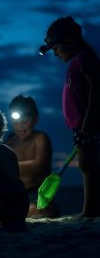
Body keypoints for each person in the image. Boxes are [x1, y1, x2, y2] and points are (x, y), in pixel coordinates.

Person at [39, 16, 100, 218]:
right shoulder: (78, 61)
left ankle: (90, 210)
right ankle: (91, 208)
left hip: (87, 124)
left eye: (56, 49)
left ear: (70, 43)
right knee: (87, 164)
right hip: (81, 126)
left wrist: (90, 117)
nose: (55, 54)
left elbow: (97, 87)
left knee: (88, 165)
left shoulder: (84, 59)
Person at [5, 95, 60, 218]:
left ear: (35, 119)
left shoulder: (40, 138)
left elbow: (38, 165)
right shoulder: (8, 142)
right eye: (16, 122)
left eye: (24, 122)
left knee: (38, 211)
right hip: (13, 193)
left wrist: (7, 165)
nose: (20, 126)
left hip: (36, 193)